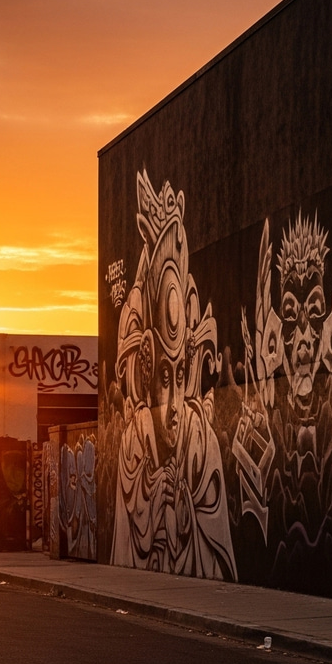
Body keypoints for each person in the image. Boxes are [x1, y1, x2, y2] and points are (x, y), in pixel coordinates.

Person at [111, 169, 237, 581]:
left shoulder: (201, 440)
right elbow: (130, 525)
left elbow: (216, 546)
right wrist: (151, 496)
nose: (175, 401)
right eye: (164, 377)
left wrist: (182, 508)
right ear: (145, 371)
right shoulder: (136, 435)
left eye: (181, 374)